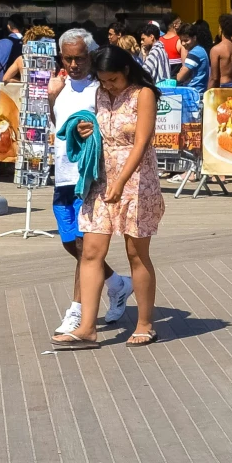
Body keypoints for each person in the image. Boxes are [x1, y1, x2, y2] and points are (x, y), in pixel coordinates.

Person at [53, 42, 162, 348]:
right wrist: (86, 130)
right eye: (103, 80)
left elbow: (141, 143)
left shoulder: (144, 95)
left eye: (113, 79)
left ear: (126, 70)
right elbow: (99, 131)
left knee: (135, 254)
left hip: (137, 183)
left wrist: (121, 181)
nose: (108, 86)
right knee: (89, 251)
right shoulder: (100, 94)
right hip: (100, 180)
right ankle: (87, 327)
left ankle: (145, 323)